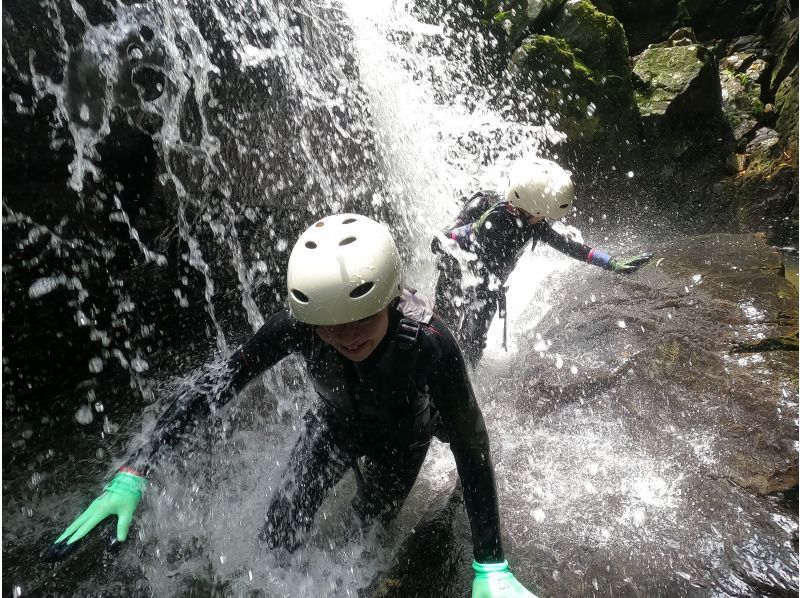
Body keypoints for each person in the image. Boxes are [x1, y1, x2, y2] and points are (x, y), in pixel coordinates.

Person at [42, 214, 538, 598]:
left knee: (363, 534)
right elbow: (219, 384)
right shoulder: (299, 324)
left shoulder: (430, 342)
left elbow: (472, 443)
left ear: (387, 298)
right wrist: (136, 467)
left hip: (403, 440)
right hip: (332, 427)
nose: (345, 335)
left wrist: (490, 561)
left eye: (361, 317)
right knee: (278, 533)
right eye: (329, 323)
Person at [432, 158, 653, 367]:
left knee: (473, 345)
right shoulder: (494, 218)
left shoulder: (533, 223)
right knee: (442, 332)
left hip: (488, 289)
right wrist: (443, 239)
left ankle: (459, 386)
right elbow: (455, 235)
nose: (546, 219)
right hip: (456, 279)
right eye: (543, 214)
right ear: (532, 208)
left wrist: (611, 263)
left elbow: (570, 246)